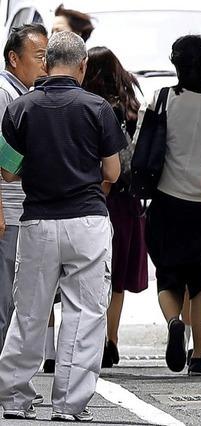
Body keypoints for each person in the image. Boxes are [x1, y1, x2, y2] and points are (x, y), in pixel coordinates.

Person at [0, 31, 126, 421]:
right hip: (87, 220)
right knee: (85, 313)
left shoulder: (21, 108)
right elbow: (113, 170)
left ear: (47, 62)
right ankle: (69, 405)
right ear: (83, 66)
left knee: (30, 313)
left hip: (37, 221)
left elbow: (6, 170)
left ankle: (14, 398)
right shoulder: (98, 108)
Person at [140, 35, 201, 375]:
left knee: (167, 278)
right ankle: (199, 357)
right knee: (200, 284)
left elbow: (142, 148)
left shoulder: (162, 100)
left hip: (166, 203)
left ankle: (174, 322)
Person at [81, 46, 148, 369]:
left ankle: (92, 342)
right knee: (117, 278)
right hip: (125, 200)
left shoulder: (87, 108)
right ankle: (112, 339)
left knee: (91, 275)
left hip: (91, 195)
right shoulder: (130, 107)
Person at [0, 22, 48, 408]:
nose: (46, 64)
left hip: (19, 211)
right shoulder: (4, 94)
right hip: (8, 212)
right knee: (6, 306)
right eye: (39, 56)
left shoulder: (22, 93)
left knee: (15, 304)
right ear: (14, 59)